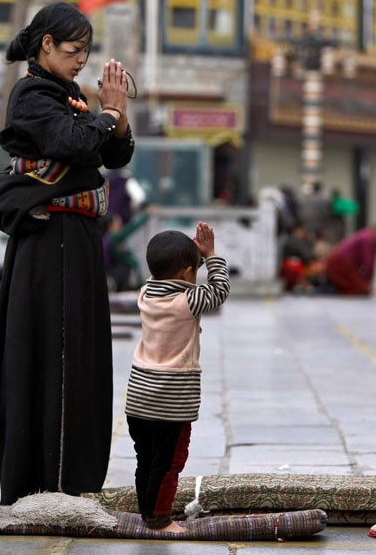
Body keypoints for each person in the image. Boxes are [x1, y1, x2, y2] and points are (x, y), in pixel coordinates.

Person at [0, 2, 135, 504]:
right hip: (52, 245)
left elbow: (111, 154)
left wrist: (118, 118)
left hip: (78, 243)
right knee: (53, 353)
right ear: (45, 45)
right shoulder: (31, 95)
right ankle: (46, 479)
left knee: (81, 354)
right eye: (73, 52)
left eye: (86, 54)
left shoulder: (65, 94)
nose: (80, 62)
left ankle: (74, 476)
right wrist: (105, 115)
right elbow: (73, 143)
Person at [126, 222, 230, 532]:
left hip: (139, 394)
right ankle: (159, 520)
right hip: (172, 398)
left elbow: (165, 273)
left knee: (145, 458)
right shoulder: (190, 301)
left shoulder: (145, 295)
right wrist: (211, 255)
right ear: (187, 273)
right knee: (169, 462)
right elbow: (221, 289)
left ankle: (148, 512)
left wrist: (191, 259)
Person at [322, 223, 376, 295]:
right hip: (340, 263)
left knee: (358, 286)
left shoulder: (367, 235)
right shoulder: (368, 239)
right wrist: (368, 283)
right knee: (359, 288)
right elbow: (368, 263)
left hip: (342, 263)